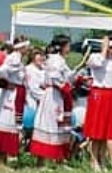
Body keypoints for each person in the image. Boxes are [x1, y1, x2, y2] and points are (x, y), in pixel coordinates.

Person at [84, 36, 112, 171]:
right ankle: (94, 160)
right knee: (97, 130)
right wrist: (104, 50)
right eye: (111, 47)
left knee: (107, 131)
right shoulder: (96, 57)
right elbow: (96, 64)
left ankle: (102, 159)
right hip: (100, 93)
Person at [29, 36, 76, 166]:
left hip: (59, 96)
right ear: (62, 46)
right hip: (52, 95)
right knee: (48, 125)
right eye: (68, 45)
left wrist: (79, 70)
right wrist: (63, 86)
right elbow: (54, 77)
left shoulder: (60, 60)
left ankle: (60, 159)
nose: (69, 48)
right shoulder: (54, 60)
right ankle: (41, 162)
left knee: (60, 126)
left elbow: (68, 76)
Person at [0, 38, 31, 168]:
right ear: (21, 48)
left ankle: (2, 160)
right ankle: (1, 161)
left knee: (9, 126)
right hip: (10, 96)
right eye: (27, 47)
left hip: (12, 94)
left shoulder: (16, 58)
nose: (28, 50)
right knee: (7, 125)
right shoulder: (15, 58)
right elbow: (2, 70)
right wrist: (8, 83)